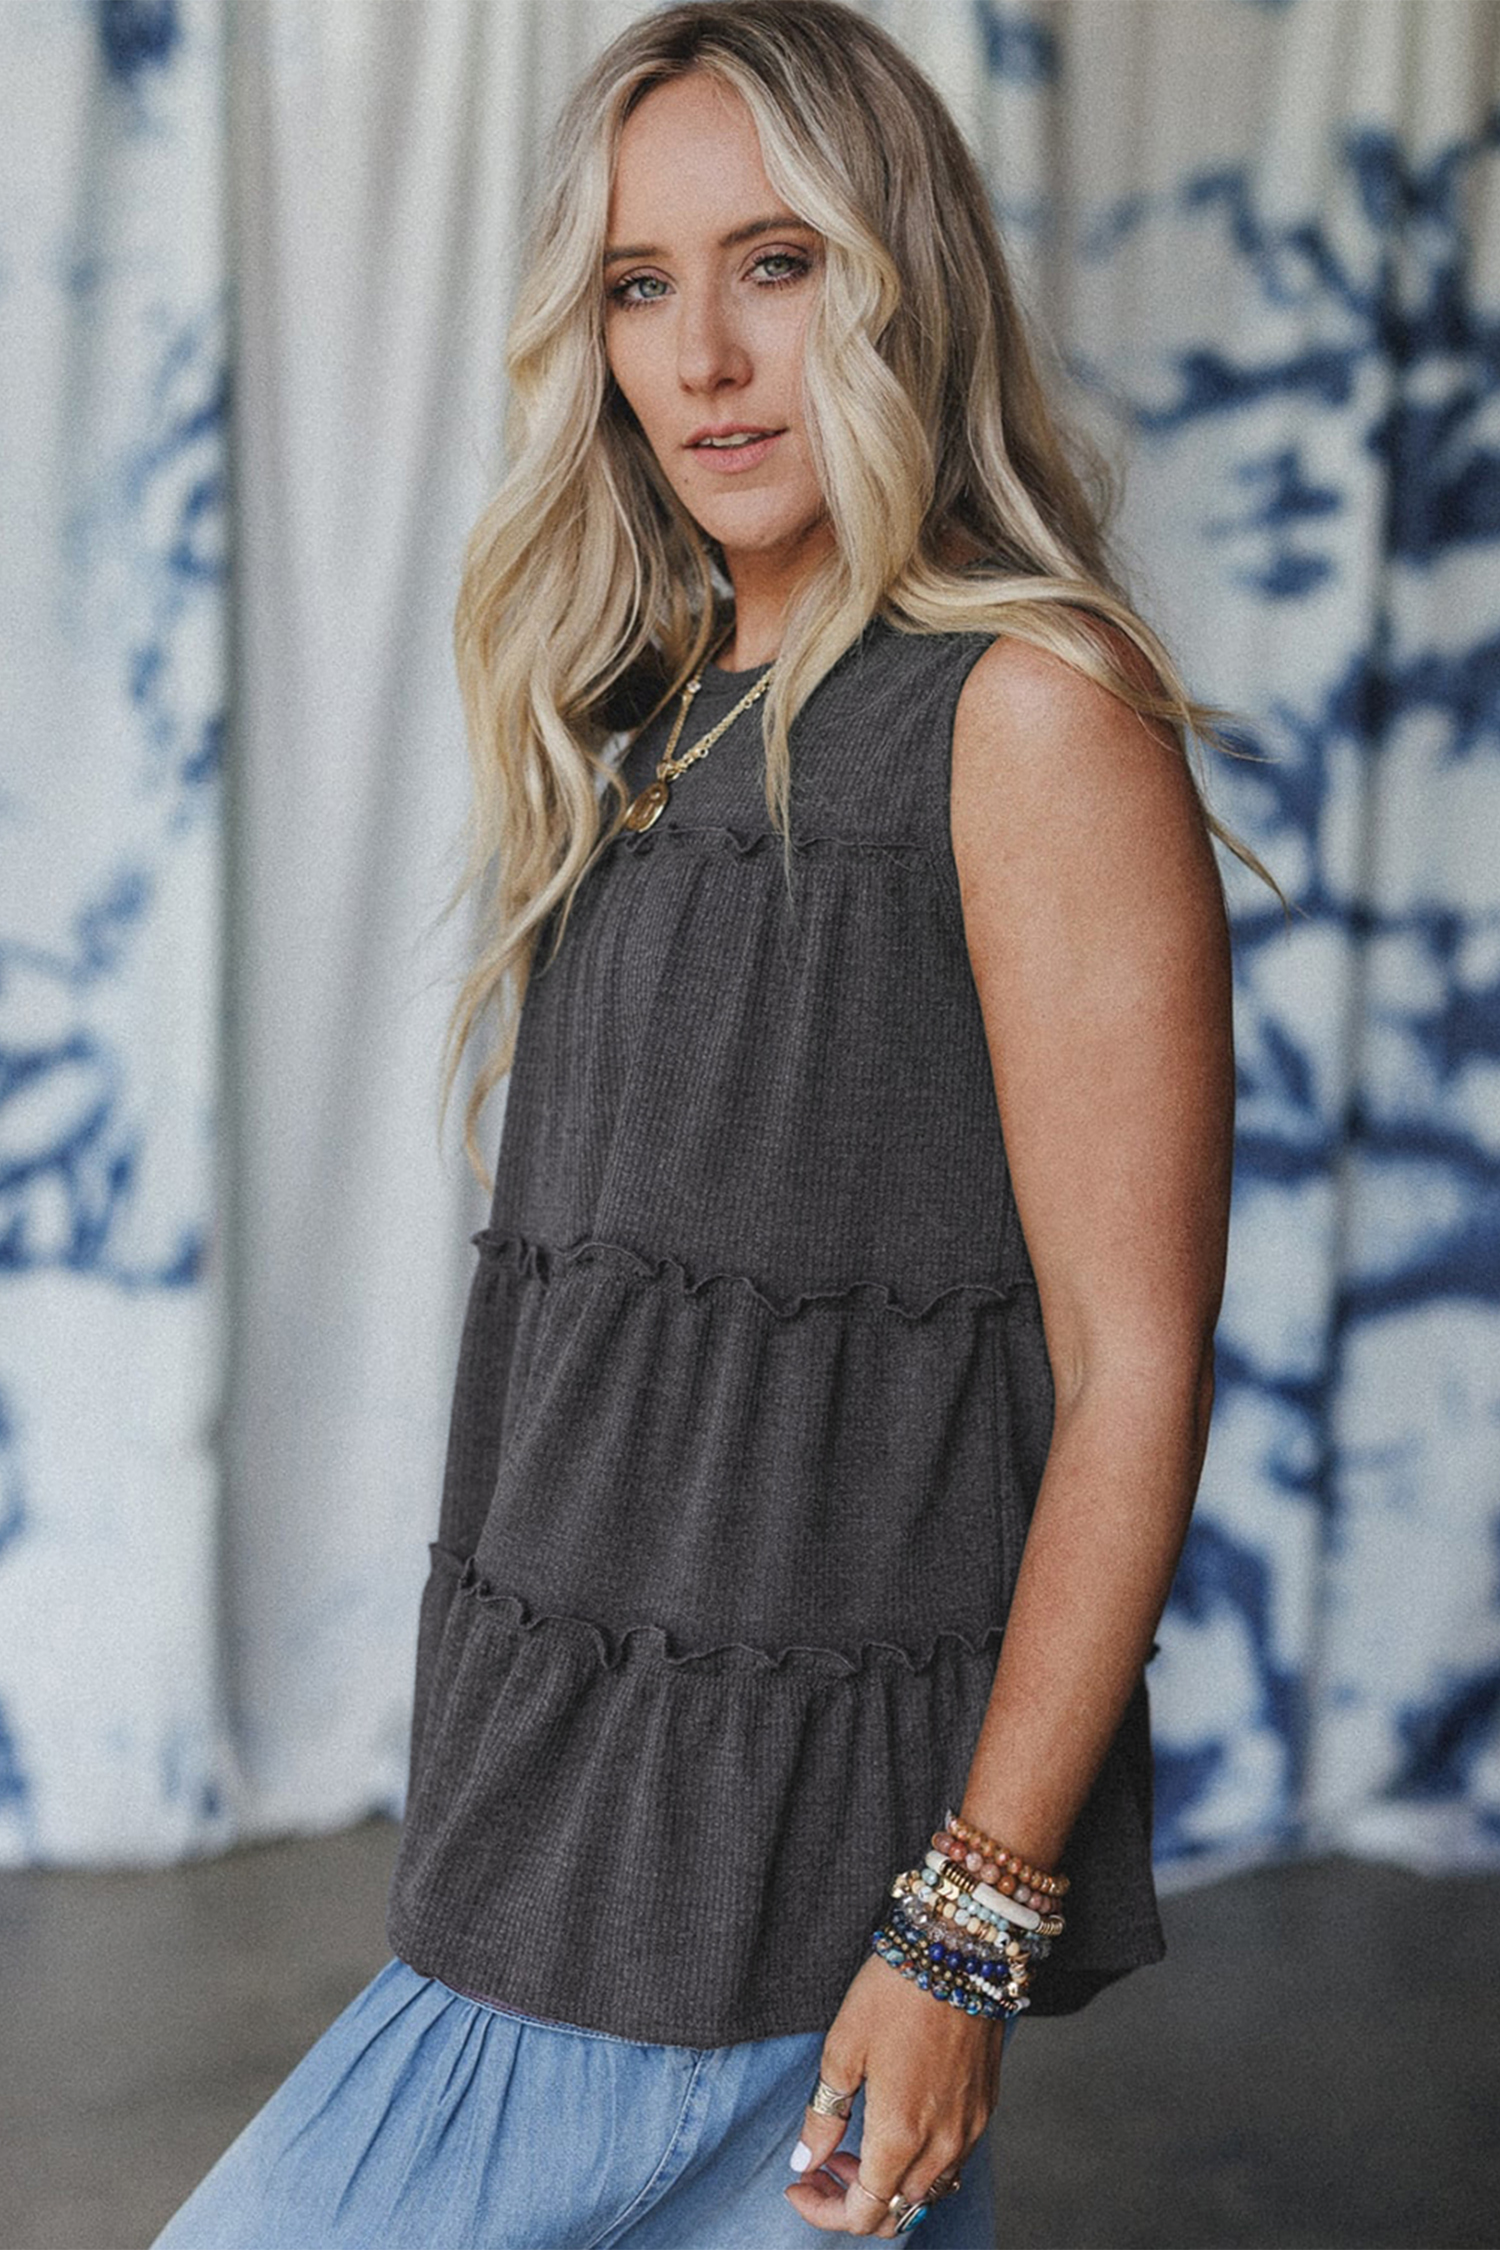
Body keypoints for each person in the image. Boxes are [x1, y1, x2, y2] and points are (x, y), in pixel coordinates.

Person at [155, 3, 1276, 2243]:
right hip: (540, 1852)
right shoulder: (642, 715)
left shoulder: (1030, 716)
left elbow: (1129, 1365)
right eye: (641, 287)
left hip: (779, 1909)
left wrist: (964, 1929)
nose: (707, 358)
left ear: (897, 280)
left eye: (774, 263)